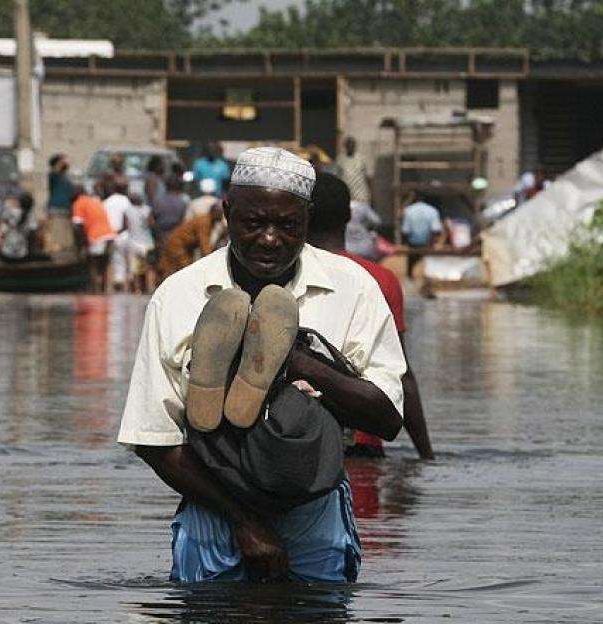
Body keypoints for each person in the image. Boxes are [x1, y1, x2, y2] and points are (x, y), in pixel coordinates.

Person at [119, 147, 407, 583]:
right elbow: (153, 438)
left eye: (287, 225)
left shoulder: (353, 289)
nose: (270, 238)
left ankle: (283, 365)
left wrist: (300, 364)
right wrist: (243, 522)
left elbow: (387, 419)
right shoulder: (180, 295)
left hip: (313, 499)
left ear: (307, 221)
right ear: (228, 213)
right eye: (254, 223)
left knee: (301, 403)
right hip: (217, 502)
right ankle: (232, 380)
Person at [308, 172, 434, 460]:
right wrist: (426, 454)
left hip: (295, 439)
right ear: (348, 217)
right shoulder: (381, 278)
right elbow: (402, 373)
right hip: (363, 442)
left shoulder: (282, 273)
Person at [154, 203, 226, 281]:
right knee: (184, 269)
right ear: (214, 213)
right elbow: (204, 244)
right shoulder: (204, 221)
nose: (222, 216)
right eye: (220, 213)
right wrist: (210, 261)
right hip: (178, 244)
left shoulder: (210, 221)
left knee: (179, 268)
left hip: (186, 247)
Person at [71, 187, 116, 292]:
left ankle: (95, 290)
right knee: (104, 264)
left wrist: (82, 245)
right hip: (110, 235)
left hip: (96, 236)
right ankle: (105, 290)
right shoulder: (95, 201)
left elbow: (78, 226)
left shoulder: (78, 203)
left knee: (92, 264)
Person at [102, 179, 131, 291]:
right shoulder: (126, 201)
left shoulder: (106, 202)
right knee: (126, 261)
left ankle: (111, 286)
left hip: (110, 236)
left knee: (113, 261)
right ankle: (126, 286)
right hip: (124, 235)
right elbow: (127, 220)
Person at [124, 193, 156, 292]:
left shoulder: (127, 211)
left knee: (135, 269)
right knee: (149, 267)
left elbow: (125, 226)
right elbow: (152, 224)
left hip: (133, 242)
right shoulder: (147, 210)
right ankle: (149, 287)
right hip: (147, 242)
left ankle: (137, 289)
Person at [0, 192, 38, 262]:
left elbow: (1, 222)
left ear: (19, 203)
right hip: (22, 257)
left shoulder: (11, 212)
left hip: (6, 256)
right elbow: (33, 236)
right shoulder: (31, 217)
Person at [151, 176, 188, 247]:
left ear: (166, 186)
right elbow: (183, 222)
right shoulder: (182, 202)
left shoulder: (158, 201)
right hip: (175, 237)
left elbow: (151, 220)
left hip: (160, 237)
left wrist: (158, 235)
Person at [336, 136, 371, 209]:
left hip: (361, 197)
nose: (350, 146)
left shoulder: (361, 159)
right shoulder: (340, 160)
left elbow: (368, 178)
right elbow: (338, 178)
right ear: (345, 146)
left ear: (355, 146)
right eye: (348, 144)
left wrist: (372, 196)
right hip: (347, 197)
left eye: (352, 144)